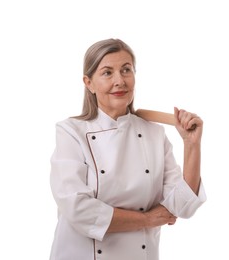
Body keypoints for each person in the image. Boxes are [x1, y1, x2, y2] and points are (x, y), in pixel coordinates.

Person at [49, 38, 206, 260]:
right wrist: (148, 219)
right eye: (107, 73)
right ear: (89, 83)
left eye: (126, 70)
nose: (119, 81)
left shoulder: (154, 134)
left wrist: (192, 144)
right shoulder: (71, 132)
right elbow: (78, 209)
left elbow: (183, 205)